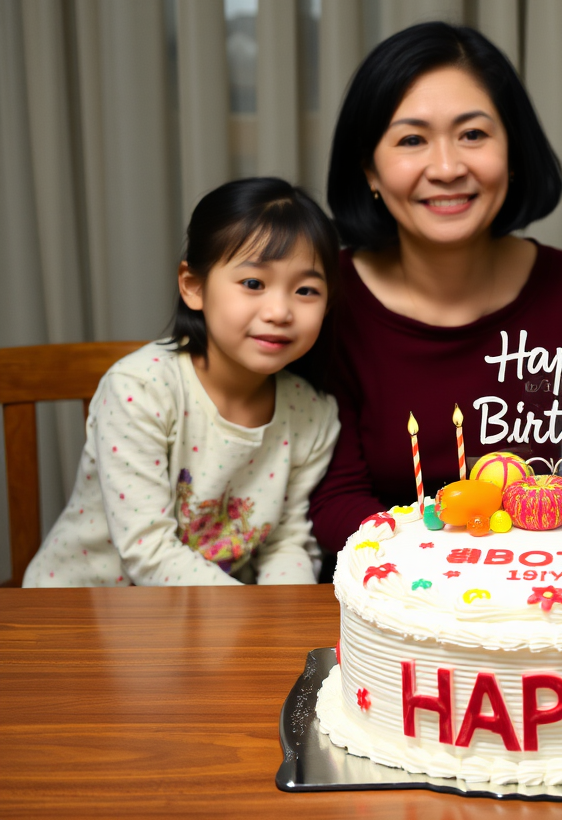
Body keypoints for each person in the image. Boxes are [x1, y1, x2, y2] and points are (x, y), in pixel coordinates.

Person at [309, 22, 562, 552]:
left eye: (473, 134)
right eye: (411, 140)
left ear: (513, 153)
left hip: (554, 595)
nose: (447, 168)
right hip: (393, 597)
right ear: (369, 171)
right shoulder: (322, 300)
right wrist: (454, 564)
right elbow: (333, 502)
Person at [22, 178, 342, 587]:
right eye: (253, 283)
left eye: (305, 290)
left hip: (214, 623)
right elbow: (148, 551)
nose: (280, 310)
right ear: (194, 286)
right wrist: (252, 618)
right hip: (82, 613)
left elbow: (287, 542)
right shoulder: (140, 388)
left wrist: (279, 625)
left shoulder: (313, 413)